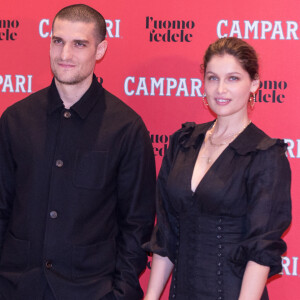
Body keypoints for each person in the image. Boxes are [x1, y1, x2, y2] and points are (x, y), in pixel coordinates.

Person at [0, 4, 156, 300]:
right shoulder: (15, 119)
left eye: (79, 44)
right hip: (16, 287)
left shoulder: (126, 128)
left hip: (92, 291)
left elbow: (137, 225)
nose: (64, 55)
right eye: (57, 41)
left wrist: (120, 293)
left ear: (100, 49)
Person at [143, 37, 291, 300]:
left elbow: (260, 251)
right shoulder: (183, 142)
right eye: (213, 78)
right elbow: (167, 234)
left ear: (254, 84)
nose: (220, 89)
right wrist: (151, 296)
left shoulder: (264, 154)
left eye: (233, 78)